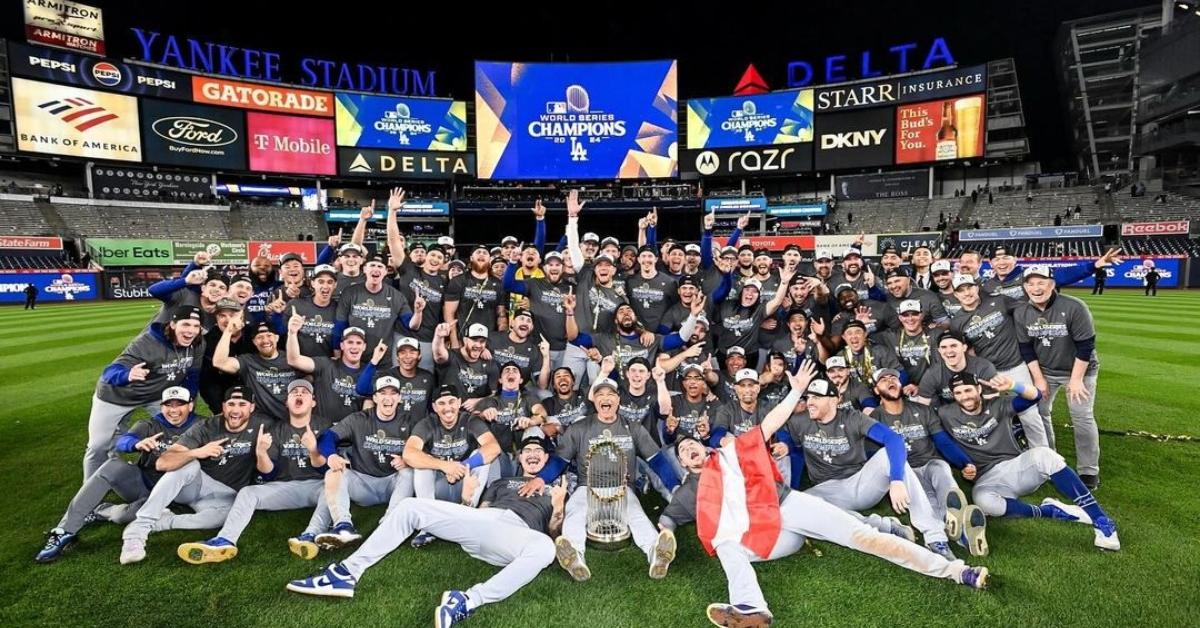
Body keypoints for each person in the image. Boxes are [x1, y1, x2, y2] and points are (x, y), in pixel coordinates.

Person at [661, 363, 988, 627]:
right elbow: (672, 518)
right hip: (770, 538)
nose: (690, 449)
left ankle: (956, 570)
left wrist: (796, 392)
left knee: (863, 537)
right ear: (684, 465)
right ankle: (751, 609)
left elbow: (770, 425)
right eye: (684, 451)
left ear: (705, 448)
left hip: (787, 507)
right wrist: (664, 535)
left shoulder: (728, 455)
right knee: (725, 546)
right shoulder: (692, 490)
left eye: (693, 445)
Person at [285, 436, 565, 628]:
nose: (532, 454)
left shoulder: (555, 490)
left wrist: (557, 507)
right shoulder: (503, 482)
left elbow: (553, 532)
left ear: (545, 459)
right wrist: (467, 499)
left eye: (537, 452)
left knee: (545, 548)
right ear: (520, 457)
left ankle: (466, 601)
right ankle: (346, 573)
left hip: (516, 536)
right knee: (409, 506)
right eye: (527, 450)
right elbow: (476, 517)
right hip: (483, 523)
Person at [937, 372, 1119, 551]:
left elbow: (1035, 397)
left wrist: (1013, 386)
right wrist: (962, 466)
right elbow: (939, 439)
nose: (964, 397)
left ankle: (1101, 521)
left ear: (978, 389)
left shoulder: (998, 405)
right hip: (987, 478)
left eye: (968, 390)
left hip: (1017, 467)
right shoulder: (946, 414)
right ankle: (1049, 511)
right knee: (983, 502)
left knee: (1046, 456)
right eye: (958, 393)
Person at [36, 387, 200, 563]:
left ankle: (100, 510)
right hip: (144, 485)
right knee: (112, 466)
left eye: (179, 404)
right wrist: (136, 444)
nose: (173, 410)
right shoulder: (150, 425)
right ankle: (64, 532)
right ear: (161, 407)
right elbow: (123, 441)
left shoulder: (203, 424)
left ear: (190, 406)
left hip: (177, 493)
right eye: (168, 405)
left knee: (123, 516)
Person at [176, 380, 330, 563]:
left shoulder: (326, 426)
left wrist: (313, 449)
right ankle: (224, 540)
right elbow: (268, 474)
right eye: (294, 392)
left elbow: (327, 468)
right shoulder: (276, 428)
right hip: (284, 488)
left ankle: (310, 536)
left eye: (304, 392)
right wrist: (261, 453)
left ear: (313, 402)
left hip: (317, 486)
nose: (298, 394)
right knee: (248, 492)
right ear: (286, 402)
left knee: (334, 486)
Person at [85, 305, 204, 482]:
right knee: (98, 445)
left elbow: (193, 374)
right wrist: (127, 375)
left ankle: (169, 475)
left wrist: (188, 402)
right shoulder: (147, 343)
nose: (191, 331)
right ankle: (89, 486)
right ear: (173, 324)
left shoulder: (197, 343)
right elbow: (109, 372)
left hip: (156, 396)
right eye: (186, 324)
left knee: (180, 429)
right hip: (116, 396)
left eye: (196, 326)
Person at [1013, 266, 1103, 489]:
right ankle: (1051, 460)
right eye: (1031, 283)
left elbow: (1085, 346)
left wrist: (1075, 379)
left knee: (1081, 417)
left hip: (1080, 370)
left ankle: (1088, 470)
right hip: (1046, 371)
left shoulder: (1074, 306)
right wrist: (1039, 379)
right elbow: (1026, 349)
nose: (1036, 288)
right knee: (1040, 412)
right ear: (1024, 287)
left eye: (1041, 282)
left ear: (1052, 284)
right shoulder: (1022, 312)